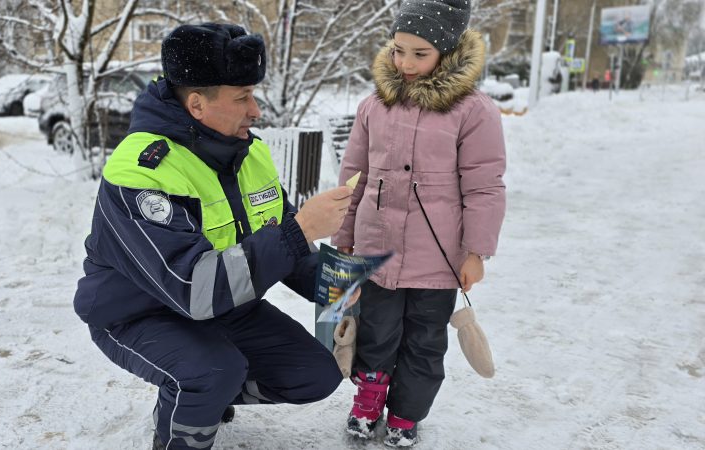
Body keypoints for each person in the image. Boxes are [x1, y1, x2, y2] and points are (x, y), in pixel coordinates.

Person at [72, 23, 357, 450]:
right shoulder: (141, 170)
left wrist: (344, 289)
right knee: (213, 372)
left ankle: (200, 397)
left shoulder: (250, 153)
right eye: (242, 98)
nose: (255, 110)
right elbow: (194, 288)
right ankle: (186, 413)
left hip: (225, 304)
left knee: (315, 373)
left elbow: (284, 243)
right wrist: (300, 231)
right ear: (197, 104)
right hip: (139, 314)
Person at [332, 0, 506, 447]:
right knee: (375, 333)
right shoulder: (374, 106)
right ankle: (368, 401)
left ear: (447, 52)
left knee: (424, 343)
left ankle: (406, 414)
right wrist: (345, 235)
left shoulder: (473, 111)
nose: (405, 63)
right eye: (398, 50)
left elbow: (484, 185)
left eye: (419, 53)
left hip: (438, 259)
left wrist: (476, 251)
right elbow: (354, 176)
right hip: (377, 251)